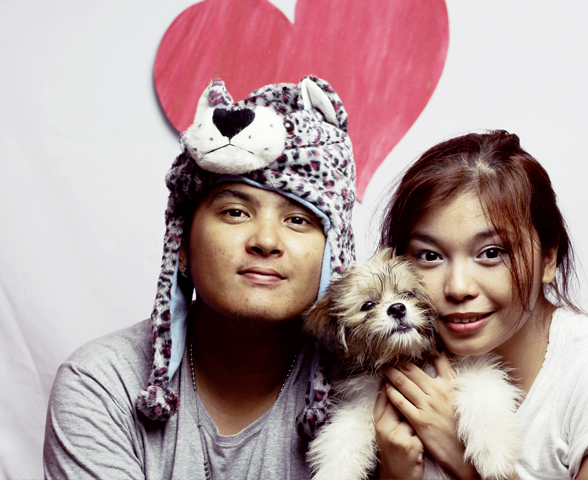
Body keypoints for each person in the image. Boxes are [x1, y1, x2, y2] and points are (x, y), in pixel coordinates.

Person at [43, 76, 356, 479]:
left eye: (297, 220)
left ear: (335, 255)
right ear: (183, 246)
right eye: (235, 213)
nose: (265, 241)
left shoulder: (364, 392)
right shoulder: (103, 382)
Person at [373, 130, 588, 479]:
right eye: (429, 256)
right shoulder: (408, 383)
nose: (458, 287)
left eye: (491, 253)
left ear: (549, 258)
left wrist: (468, 460)